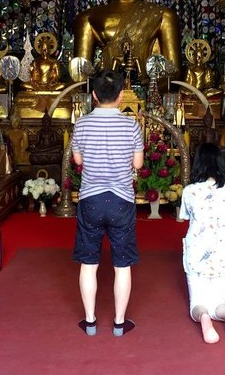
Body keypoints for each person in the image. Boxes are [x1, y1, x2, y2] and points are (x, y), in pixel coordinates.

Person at [71, 69, 144, 336]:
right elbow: (137, 163)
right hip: (121, 200)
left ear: (93, 95)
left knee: (89, 263)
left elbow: (78, 161)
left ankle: (90, 322)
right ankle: (118, 323)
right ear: (122, 95)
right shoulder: (131, 125)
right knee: (121, 264)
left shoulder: (82, 124)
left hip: (90, 198)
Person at [178, 143, 225, 344]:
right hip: (224, 253)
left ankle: (204, 319)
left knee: (197, 305)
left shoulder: (190, 191)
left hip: (197, 254)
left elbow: (185, 216)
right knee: (220, 303)